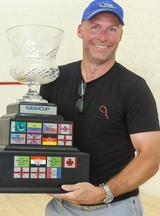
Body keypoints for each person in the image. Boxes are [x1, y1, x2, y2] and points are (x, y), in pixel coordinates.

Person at [40, 0, 160, 215]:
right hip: (61, 208)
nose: (103, 37)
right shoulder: (54, 80)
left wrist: (102, 192)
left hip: (115, 208)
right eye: (95, 27)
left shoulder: (134, 88)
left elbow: (151, 155)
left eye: (112, 29)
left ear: (121, 35)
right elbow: (37, 138)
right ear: (80, 30)